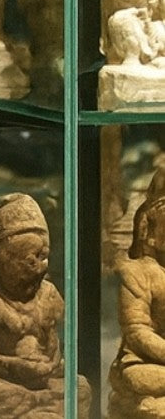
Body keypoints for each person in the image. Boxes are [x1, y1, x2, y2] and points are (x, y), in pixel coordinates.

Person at [0, 194, 90, 419]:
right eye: (29, 261)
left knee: (81, 387)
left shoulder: (48, 293)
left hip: (48, 379)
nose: (39, 269)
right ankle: (38, 407)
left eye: (43, 257)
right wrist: (8, 364)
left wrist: (60, 363)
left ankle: (41, 407)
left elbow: (71, 329)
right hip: (6, 380)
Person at [108, 177, 165, 419]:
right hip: (144, 363)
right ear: (149, 232)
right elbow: (136, 330)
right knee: (138, 379)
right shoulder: (138, 272)